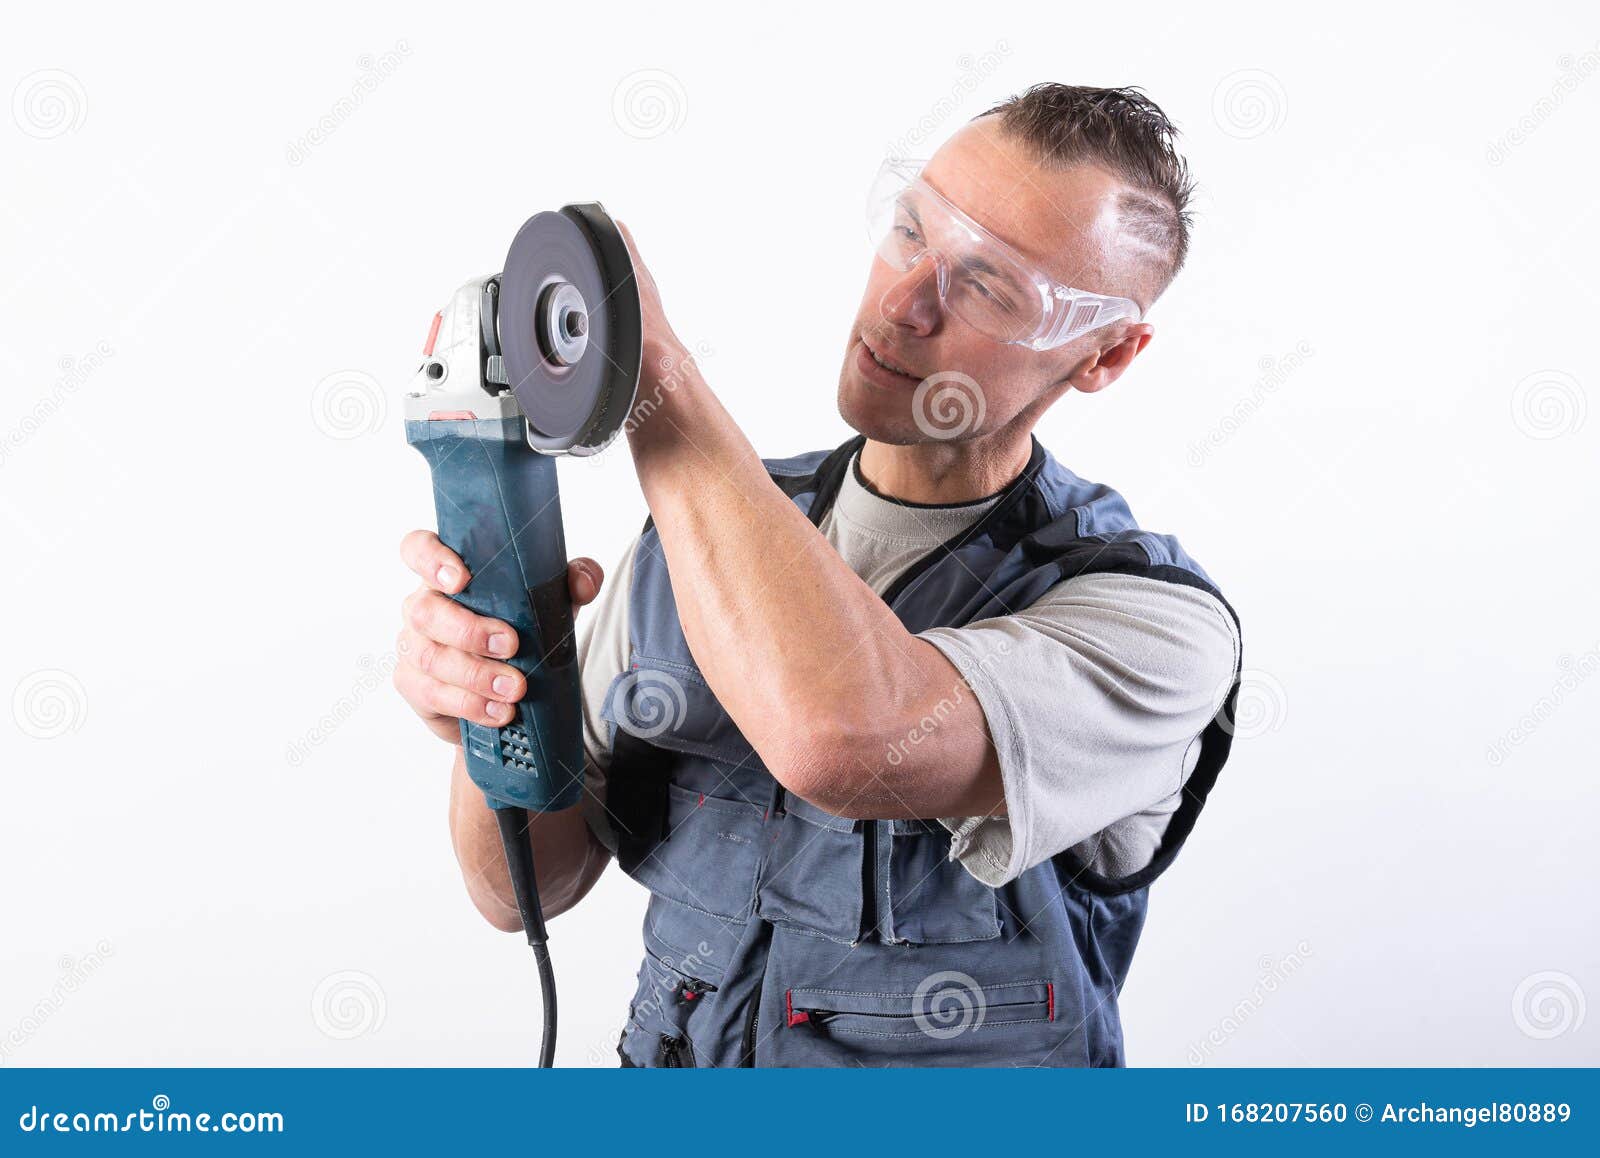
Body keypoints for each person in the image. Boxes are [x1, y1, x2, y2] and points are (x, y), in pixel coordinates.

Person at [394, 84, 1242, 1067]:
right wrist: (490, 700)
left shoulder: (1152, 627)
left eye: (988, 285)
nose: (904, 301)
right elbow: (523, 894)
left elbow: (842, 739)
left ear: (1106, 356)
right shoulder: (693, 537)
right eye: (910, 230)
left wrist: (652, 383)